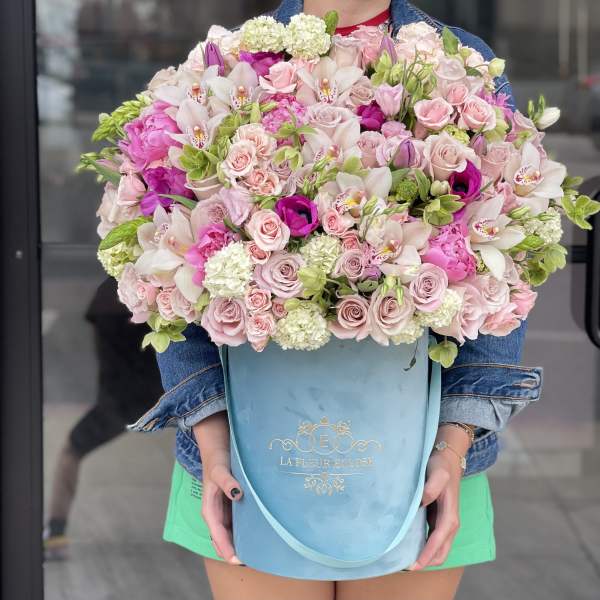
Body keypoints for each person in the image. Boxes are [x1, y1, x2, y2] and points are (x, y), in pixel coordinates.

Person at [129, 2, 543, 599]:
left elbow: (505, 279)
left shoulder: (460, 62)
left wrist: (454, 448)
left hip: (424, 457)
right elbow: (176, 276)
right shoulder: (229, 62)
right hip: (243, 454)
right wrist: (213, 443)